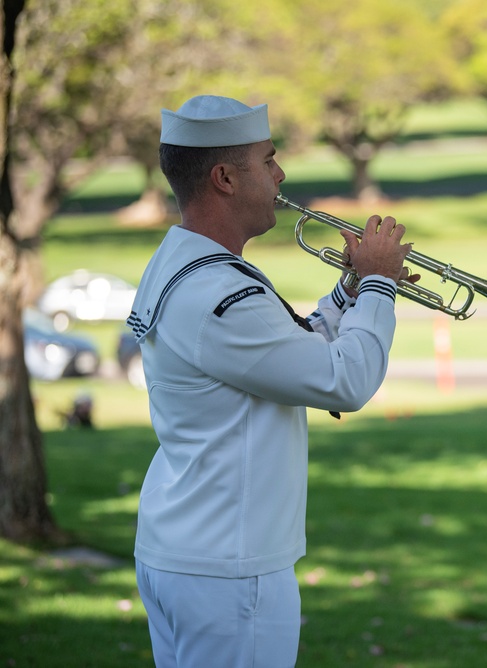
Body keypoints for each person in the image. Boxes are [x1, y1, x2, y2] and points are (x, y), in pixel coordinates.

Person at [127, 95, 414, 667]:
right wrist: (380, 285)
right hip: (229, 566)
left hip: (193, 549)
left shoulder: (192, 265)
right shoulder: (218, 293)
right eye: (268, 160)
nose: (281, 175)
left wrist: (348, 293)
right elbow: (345, 382)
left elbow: (282, 351)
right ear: (226, 178)